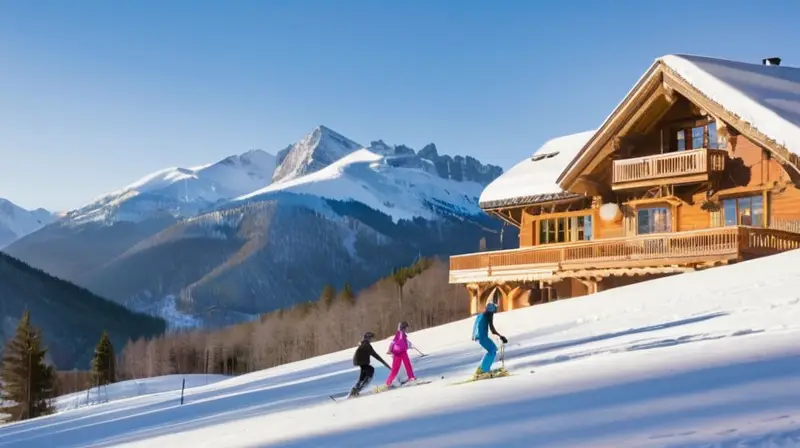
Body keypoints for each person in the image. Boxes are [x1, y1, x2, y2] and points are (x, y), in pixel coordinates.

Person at [471, 301, 508, 378]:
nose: (494, 312)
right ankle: (484, 370)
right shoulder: (489, 315)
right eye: (495, 310)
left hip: (480, 336)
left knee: (492, 350)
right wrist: (501, 336)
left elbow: (476, 325)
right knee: (492, 350)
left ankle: (482, 368)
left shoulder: (481, 315)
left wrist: (474, 335)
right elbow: (492, 329)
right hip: (482, 336)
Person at [348, 331, 390, 397]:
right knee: (370, 370)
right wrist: (387, 365)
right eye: (370, 338)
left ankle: (355, 389)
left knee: (363, 375)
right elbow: (376, 356)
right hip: (361, 362)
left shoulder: (363, 343)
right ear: (367, 338)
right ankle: (357, 390)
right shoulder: (367, 345)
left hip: (360, 362)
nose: (371, 340)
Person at [383, 321, 417, 389]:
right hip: (399, 353)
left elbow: (400, 342)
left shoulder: (401, 334)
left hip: (399, 353)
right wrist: (390, 349)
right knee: (402, 367)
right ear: (403, 328)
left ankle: (388, 382)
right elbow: (396, 342)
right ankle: (411, 378)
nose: (407, 329)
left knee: (402, 367)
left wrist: (408, 344)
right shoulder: (400, 334)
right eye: (406, 327)